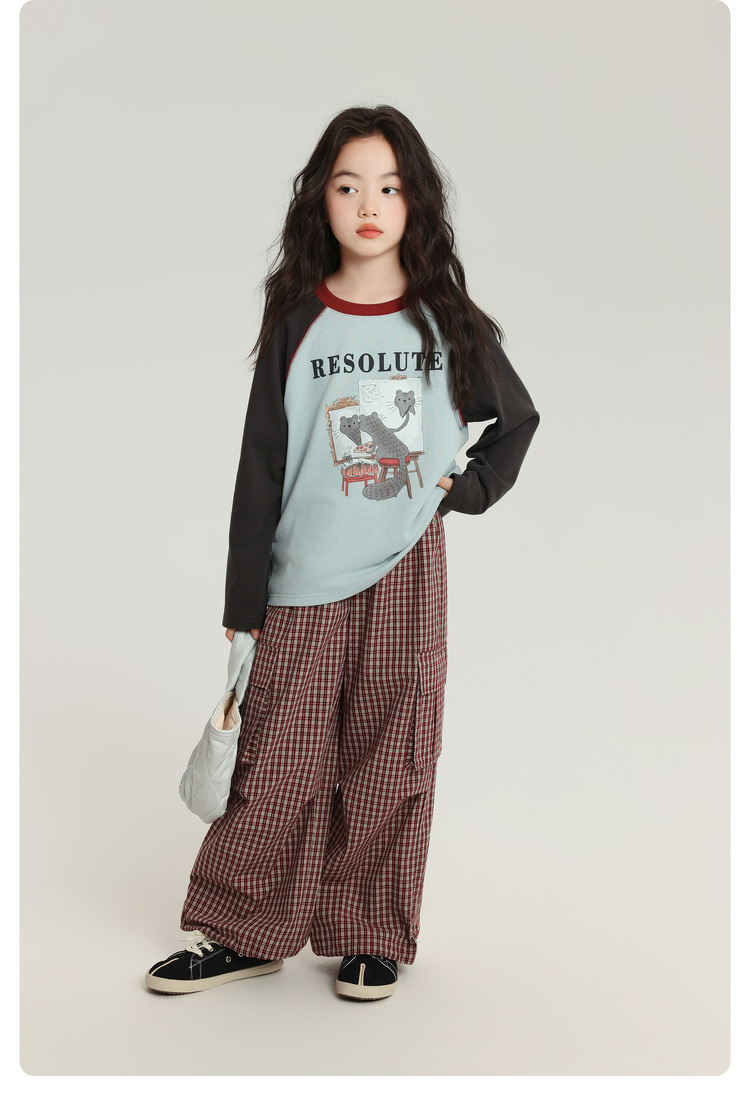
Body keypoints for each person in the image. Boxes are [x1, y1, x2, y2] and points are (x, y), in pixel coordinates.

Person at [145, 104, 540, 1002]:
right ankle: (244, 930)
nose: (369, 205)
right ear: (319, 201)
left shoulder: (446, 322)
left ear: (417, 202)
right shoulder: (297, 320)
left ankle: (370, 934)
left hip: (407, 569)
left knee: (391, 751)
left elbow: (514, 422)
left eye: (389, 188)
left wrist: (462, 488)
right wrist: (243, 604)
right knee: (276, 758)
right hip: (302, 575)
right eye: (348, 185)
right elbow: (260, 466)